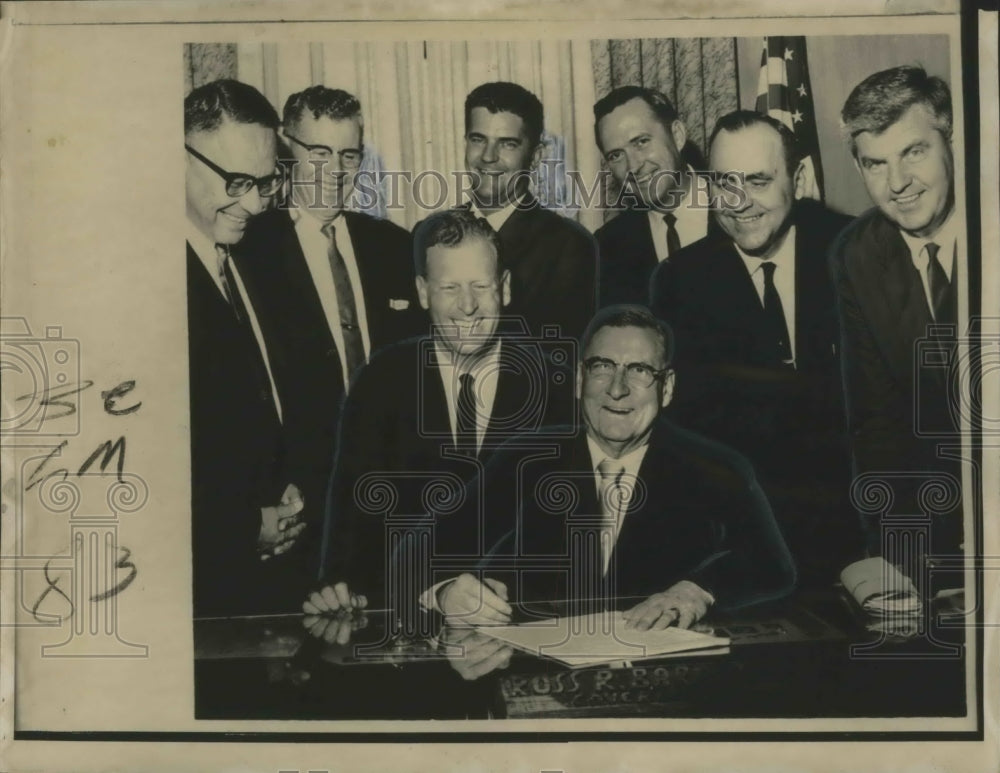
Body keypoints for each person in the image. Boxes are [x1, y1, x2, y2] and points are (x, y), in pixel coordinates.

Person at [436, 306, 797, 630]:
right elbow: (423, 549)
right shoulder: (526, 458)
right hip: (541, 673)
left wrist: (697, 590)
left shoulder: (716, 467)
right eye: (602, 367)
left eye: (639, 371)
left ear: (666, 387)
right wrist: (444, 593)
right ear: (579, 379)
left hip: (668, 680)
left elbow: (773, 566)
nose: (618, 389)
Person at [305, 209, 574, 616]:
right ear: (423, 291)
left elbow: (566, 534)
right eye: (449, 288)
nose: (467, 307)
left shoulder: (555, 383)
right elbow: (353, 528)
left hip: (522, 629)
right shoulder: (381, 382)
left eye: (480, 286)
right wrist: (339, 591)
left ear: (504, 288)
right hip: (409, 632)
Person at [649, 110, 861, 586]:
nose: (739, 202)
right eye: (725, 182)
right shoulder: (680, 282)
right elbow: (689, 443)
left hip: (868, 534)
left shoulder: (854, 252)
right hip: (748, 547)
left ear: (799, 177)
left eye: (759, 180)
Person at [234, 86, 424, 581]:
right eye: (318, 154)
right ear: (284, 150)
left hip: (390, 507)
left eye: (348, 155)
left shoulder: (393, 247)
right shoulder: (247, 250)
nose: (335, 171)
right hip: (296, 512)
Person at [830, 66, 963, 575]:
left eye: (914, 152)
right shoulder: (857, 254)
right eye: (875, 164)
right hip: (940, 525)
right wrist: (895, 556)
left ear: (949, 136)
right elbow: (877, 418)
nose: (898, 183)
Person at [184, 79, 307, 616]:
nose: (255, 204)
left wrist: (285, 499)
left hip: (260, 585)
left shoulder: (249, 258)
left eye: (264, 182)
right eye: (236, 181)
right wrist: (245, 526)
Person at [459, 81, 598, 340]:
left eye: (507, 144)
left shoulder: (568, 246)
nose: (488, 157)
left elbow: (562, 360)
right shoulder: (429, 234)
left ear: (535, 157)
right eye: (478, 140)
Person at [593, 86, 713, 308]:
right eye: (616, 155)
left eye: (641, 142)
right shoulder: (606, 248)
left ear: (677, 135)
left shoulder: (742, 212)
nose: (634, 166)